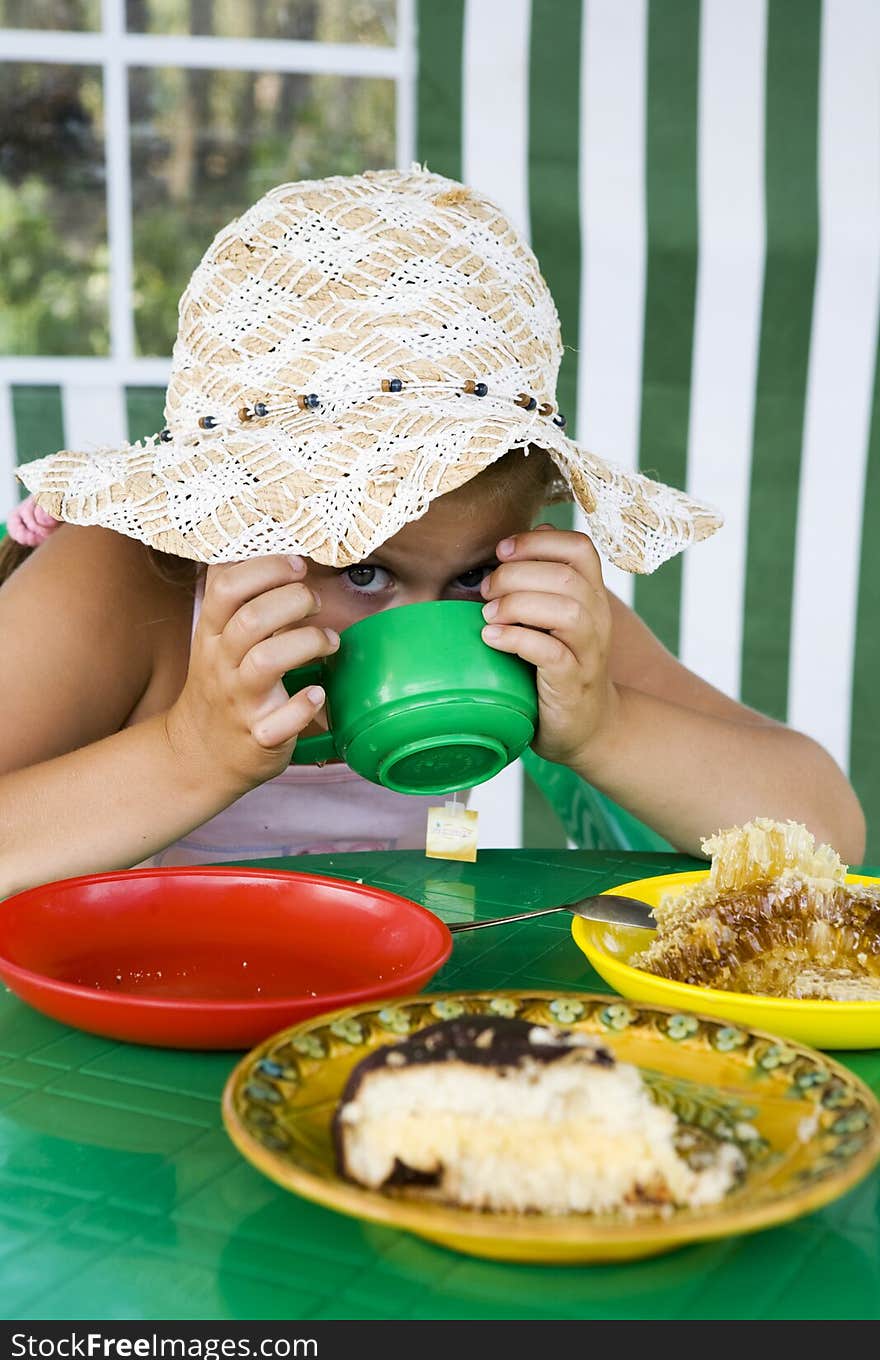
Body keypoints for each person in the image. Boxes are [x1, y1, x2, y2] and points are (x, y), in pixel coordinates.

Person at [0, 168, 866, 899]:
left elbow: (827, 829)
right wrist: (193, 754)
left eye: (468, 576)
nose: (430, 619)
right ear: (231, 511)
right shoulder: (130, 577)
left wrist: (605, 727)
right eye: (366, 571)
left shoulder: (523, 605)